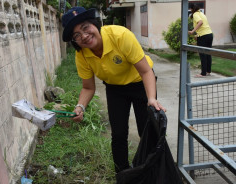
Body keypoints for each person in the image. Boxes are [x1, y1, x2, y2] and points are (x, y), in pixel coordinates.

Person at [61, 7, 166, 173]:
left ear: (95, 24)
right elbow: (88, 87)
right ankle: (122, 175)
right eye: (76, 35)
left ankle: (154, 173)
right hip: (115, 88)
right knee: (118, 134)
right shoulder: (82, 55)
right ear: (74, 41)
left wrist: (151, 99)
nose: (84, 36)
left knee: (146, 130)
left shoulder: (120, 36)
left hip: (140, 83)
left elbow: (146, 71)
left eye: (85, 27)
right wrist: (80, 107)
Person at [188, 4, 213, 77]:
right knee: (208, 53)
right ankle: (208, 71)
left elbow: (200, 22)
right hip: (209, 34)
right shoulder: (202, 13)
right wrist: (197, 35)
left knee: (202, 54)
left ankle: (203, 73)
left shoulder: (195, 14)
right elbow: (204, 26)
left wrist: (192, 31)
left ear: (192, 9)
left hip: (203, 36)